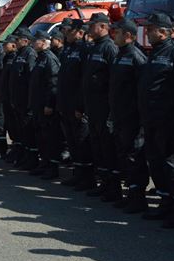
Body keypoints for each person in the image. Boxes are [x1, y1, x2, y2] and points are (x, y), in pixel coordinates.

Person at [138, 12, 174, 225]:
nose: (147, 33)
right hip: (151, 118)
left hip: (168, 120)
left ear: (163, 32)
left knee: (171, 163)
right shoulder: (156, 51)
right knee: (156, 161)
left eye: (150, 29)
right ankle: (165, 201)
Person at [109, 19, 148, 210]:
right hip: (120, 115)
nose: (114, 35)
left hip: (132, 117)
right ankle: (131, 194)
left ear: (128, 35)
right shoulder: (120, 54)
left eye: (117, 32)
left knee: (135, 157)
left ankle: (138, 197)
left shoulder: (136, 56)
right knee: (124, 155)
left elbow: (142, 90)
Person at [79, 12, 118, 194]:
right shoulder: (94, 47)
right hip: (92, 107)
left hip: (104, 108)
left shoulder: (109, 48)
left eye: (92, 25)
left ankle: (113, 187)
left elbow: (114, 81)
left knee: (107, 147)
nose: (89, 29)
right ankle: (103, 183)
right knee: (97, 146)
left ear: (103, 26)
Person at [58, 19, 90, 186]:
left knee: (81, 142)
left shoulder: (84, 50)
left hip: (77, 106)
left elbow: (84, 81)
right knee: (72, 141)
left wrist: (80, 106)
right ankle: (77, 174)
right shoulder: (68, 49)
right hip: (66, 103)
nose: (65, 33)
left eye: (69, 31)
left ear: (79, 32)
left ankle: (86, 177)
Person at [27, 30, 61, 176]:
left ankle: (52, 167)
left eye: (36, 40)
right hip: (37, 104)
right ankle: (44, 163)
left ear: (43, 42)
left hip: (45, 105)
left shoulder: (49, 58)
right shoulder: (40, 58)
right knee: (41, 136)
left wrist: (49, 104)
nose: (33, 43)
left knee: (49, 137)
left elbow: (53, 83)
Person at [8, 28, 37, 168]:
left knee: (28, 132)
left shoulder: (30, 54)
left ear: (25, 41)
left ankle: (31, 160)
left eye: (17, 39)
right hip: (17, 100)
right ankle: (22, 156)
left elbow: (31, 79)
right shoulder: (19, 53)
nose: (15, 42)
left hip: (25, 100)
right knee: (21, 131)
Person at [0, 35, 18, 158]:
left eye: (6, 44)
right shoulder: (6, 57)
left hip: (13, 96)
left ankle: (16, 148)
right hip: (5, 95)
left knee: (15, 124)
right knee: (9, 123)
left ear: (13, 45)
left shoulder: (16, 57)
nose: (4, 46)